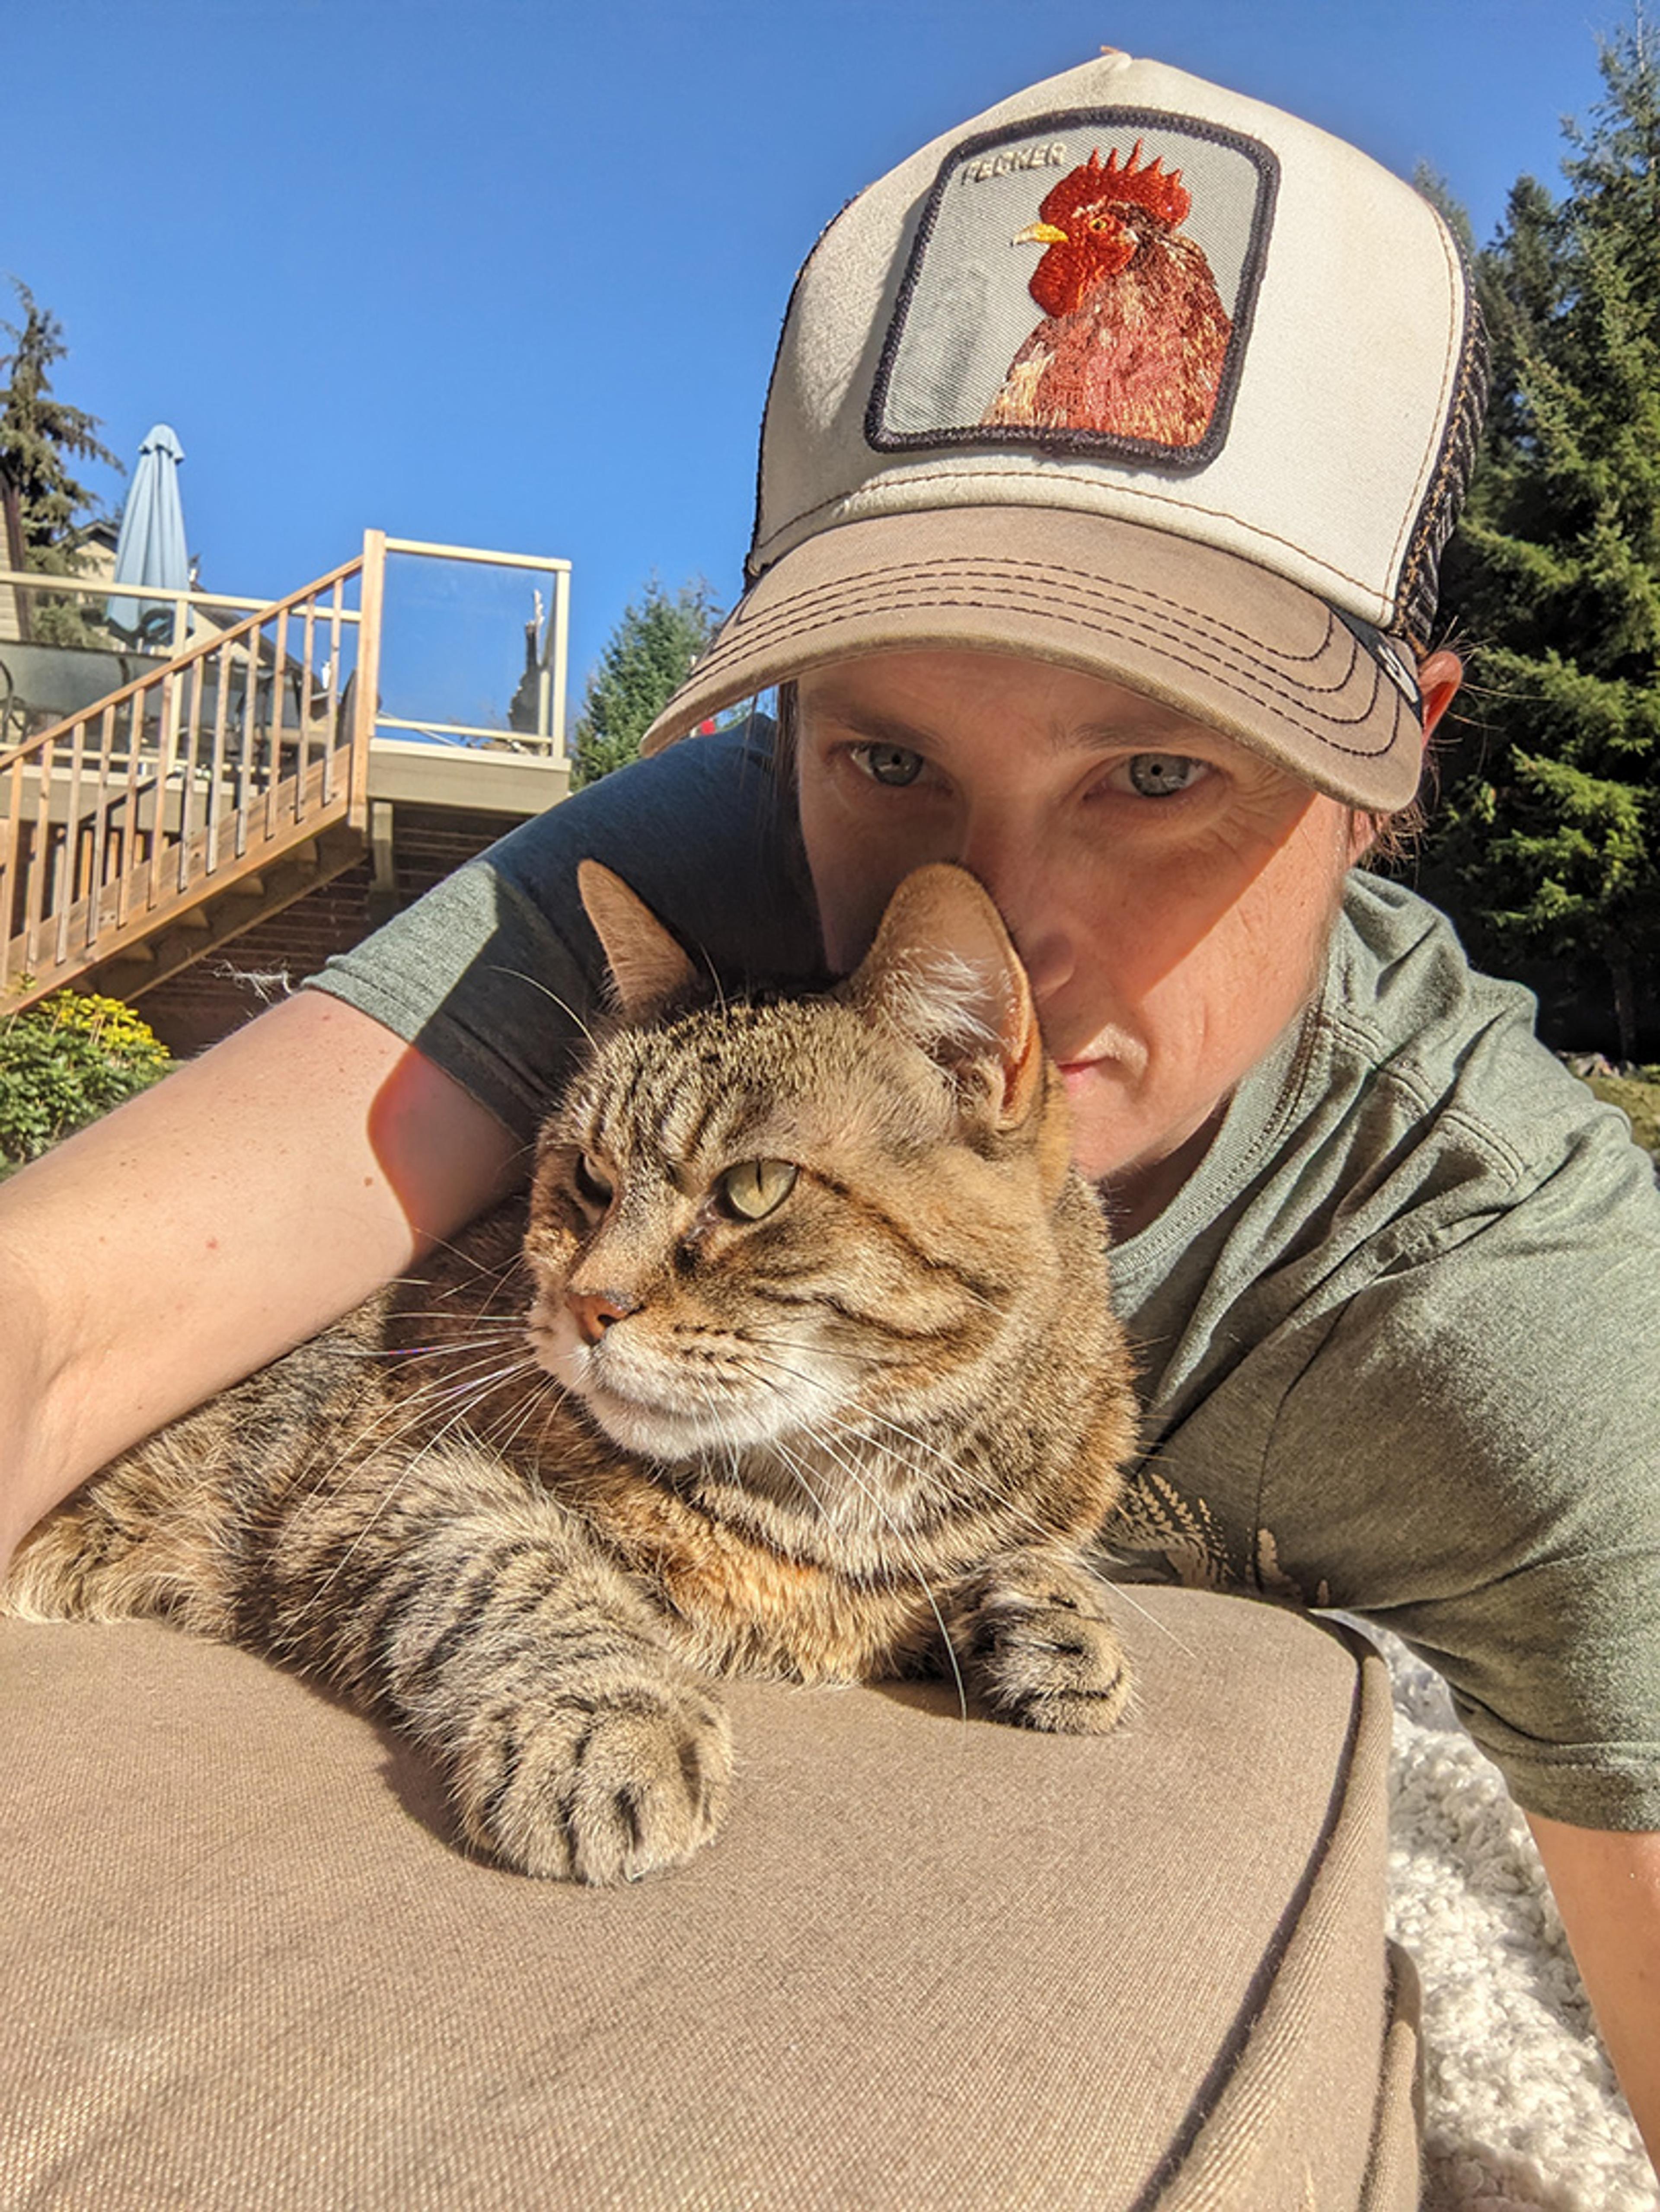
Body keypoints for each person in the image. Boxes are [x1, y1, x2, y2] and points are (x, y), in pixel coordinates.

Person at [5, 45, 1659, 2172]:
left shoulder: (1512, 1275)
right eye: (882, 753)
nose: (998, 927)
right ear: (780, 718)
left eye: (1161, 770)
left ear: (1392, 762)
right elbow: (66, 1318)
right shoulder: (682, 908)